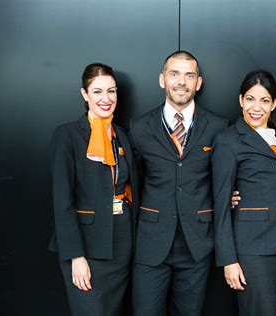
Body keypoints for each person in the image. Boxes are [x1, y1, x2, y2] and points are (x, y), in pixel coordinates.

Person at [129, 50, 229, 316]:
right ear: (162, 79)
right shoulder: (139, 127)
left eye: (189, 75)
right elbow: (133, 182)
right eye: (174, 74)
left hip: (196, 243)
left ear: (199, 82)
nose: (181, 82)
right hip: (151, 243)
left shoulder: (219, 126)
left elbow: (224, 179)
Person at [48, 63, 138, 315]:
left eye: (111, 91)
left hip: (121, 243)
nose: (106, 99)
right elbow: (62, 201)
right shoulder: (67, 135)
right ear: (84, 94)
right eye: (97, 91)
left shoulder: (122, 135)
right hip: (85, 248)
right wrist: (76, 257)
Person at [212, 70, 276, 315]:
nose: (256, 107)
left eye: (264, 100)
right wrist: (229, 260)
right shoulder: (228, 140)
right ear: (240, 100)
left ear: (274, 104)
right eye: (250, 99)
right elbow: (221, 204)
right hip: (252, 250)